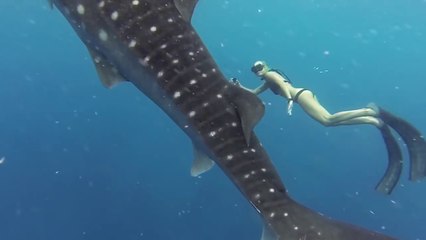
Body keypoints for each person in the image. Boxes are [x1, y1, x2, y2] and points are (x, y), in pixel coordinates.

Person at [233, 61, 382, 128]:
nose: (257, 70)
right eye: (254, 70)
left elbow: (283, 84)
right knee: (327, 122)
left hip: (299, 97)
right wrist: (239, 86)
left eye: (259, 66)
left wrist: (289, 100)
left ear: (266, 66)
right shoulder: (267, 80)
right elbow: (254, 92)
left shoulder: (270, 75)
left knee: (329, 119)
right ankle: (370, 120)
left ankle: (368, 111)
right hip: (304, 94)